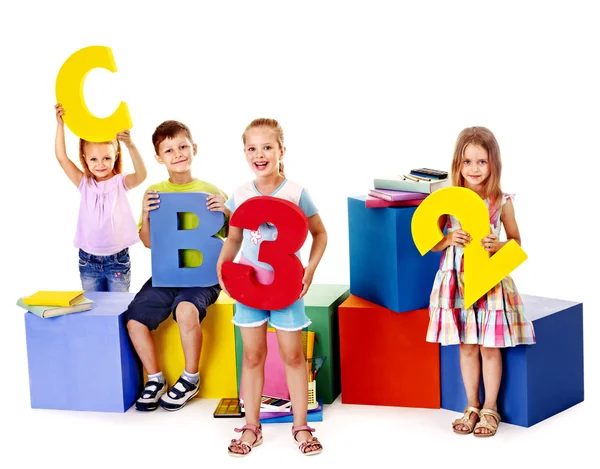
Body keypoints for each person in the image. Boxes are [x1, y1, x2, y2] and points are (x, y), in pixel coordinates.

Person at [216, 118, 327, 457]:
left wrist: (310, 268)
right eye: (252, 148)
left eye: (267, 147)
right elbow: (234, 237)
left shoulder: (296, 192)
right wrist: (222, 267)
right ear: (244, 153)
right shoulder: (240, 194)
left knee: (293, 356)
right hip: (250, 288)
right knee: (252, 356)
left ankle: (301, 426)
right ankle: (252, 427)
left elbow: (320, 233)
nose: (259, 154)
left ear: (281, 151)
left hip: (285, 288)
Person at [426, 126, 536, 437]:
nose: (474, 169)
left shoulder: (501, 200)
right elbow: (430, 242)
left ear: (493, 164)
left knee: (490, 347)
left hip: (488, 280)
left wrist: (498, 245)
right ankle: (471, 405)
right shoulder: (446, 199)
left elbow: (516, 242)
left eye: (482, 162)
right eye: (468, 162)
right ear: (457, 164)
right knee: (467, 345)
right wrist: (448, 238)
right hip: (457, 280)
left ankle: (490, 408)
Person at [124, 120, 229, 412]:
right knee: (134, 320)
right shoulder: (155, 192)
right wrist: (145, 215)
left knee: (185, 310)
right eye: (169, 150)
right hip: (167, 272)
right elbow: (147, 242)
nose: (178, 153)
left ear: (193, 148)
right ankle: (155, 378)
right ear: (159, 157)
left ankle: (190, 377)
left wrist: (226, 210)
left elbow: (233, 236)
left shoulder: (210, 190)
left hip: (202, 276)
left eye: (183, 146)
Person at [54, 103, 147, 292]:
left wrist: (130, 144)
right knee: (94, 311)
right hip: (89, 261)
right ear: (85, 159)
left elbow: (142, 174)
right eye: (94, 159)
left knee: (117, 311)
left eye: (106, 158)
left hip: (117, 261)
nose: (100, 164)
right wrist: (60, 125)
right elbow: (62, 157)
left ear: (115, 155)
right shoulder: (85, 183)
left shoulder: (120, 182)